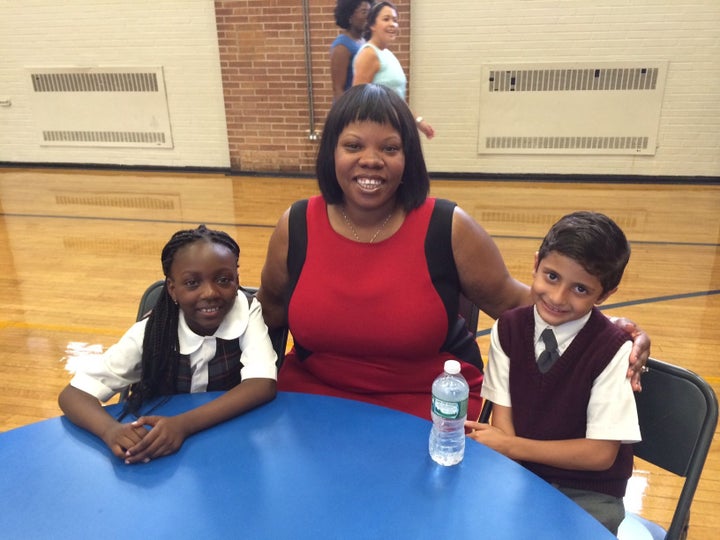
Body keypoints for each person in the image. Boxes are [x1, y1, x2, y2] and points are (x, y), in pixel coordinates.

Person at [257, 83, 649, 423]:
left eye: (390, 147)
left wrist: (606, 327)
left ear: (408, 157)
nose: (371, 159)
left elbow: (516, 302)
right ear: (331, 153)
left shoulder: (448, 227)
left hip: (427, 410)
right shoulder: (295, 225)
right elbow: (267, 313)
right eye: (353, 145)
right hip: (309, 404)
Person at [466, 211, 641, 534]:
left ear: (604, 295)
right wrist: (510, 458)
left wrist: (512, 447)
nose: (558, 298)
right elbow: (504, 427)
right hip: (523, 476)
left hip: (588, 495)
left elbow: (600, 454)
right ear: (536, 264)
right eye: (551, 276)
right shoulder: (509, 328)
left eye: (580, 289)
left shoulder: (613, 349)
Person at [58, 225, 277, 464]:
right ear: (172, 289)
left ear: (237, 280)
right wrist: (110, 431)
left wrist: (182, 425)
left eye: (224, 280)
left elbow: (262, 384)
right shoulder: (151, 332)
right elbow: (73, 395)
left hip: (231, 436)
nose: (210, 292)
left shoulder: (247, 310)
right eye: (192, 283)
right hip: (163, 453)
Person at [352, 1, 435, 139]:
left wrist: (419, 122)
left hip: (394, 128)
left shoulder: (387, 54)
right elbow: (357, 102)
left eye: (395, 20)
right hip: (377, 133)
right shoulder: (369, 54)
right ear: (372, 25)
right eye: (386, 19)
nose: (392, 24)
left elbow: (398, 99)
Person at [330, 0, 372, 102]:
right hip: (350, 108)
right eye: (364, 12)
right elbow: (338, 89)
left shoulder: (364, 41)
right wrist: (347, 115)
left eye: (370, 12)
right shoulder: (342, 46)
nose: (368, 17)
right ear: (350, 16)